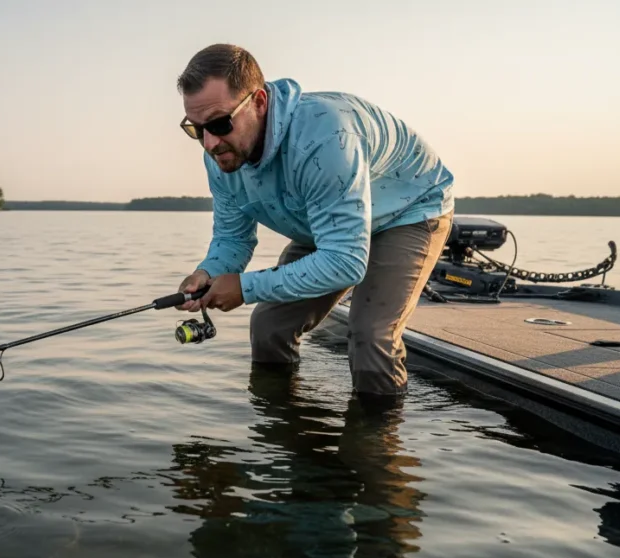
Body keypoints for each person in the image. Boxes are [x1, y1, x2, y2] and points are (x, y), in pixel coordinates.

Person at [175, 43, 455, 397]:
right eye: (196, 129)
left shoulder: (327, 137)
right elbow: (233, 239)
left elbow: (344, 262)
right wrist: (209, 273)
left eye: (219, 123)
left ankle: (375, 447)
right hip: (323, 219)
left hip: (407, 210)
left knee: (371, 337)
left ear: (259, 102)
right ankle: (283, 431)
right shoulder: (221, 155)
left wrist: (244, 288)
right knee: (268, 327)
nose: (210, 143)